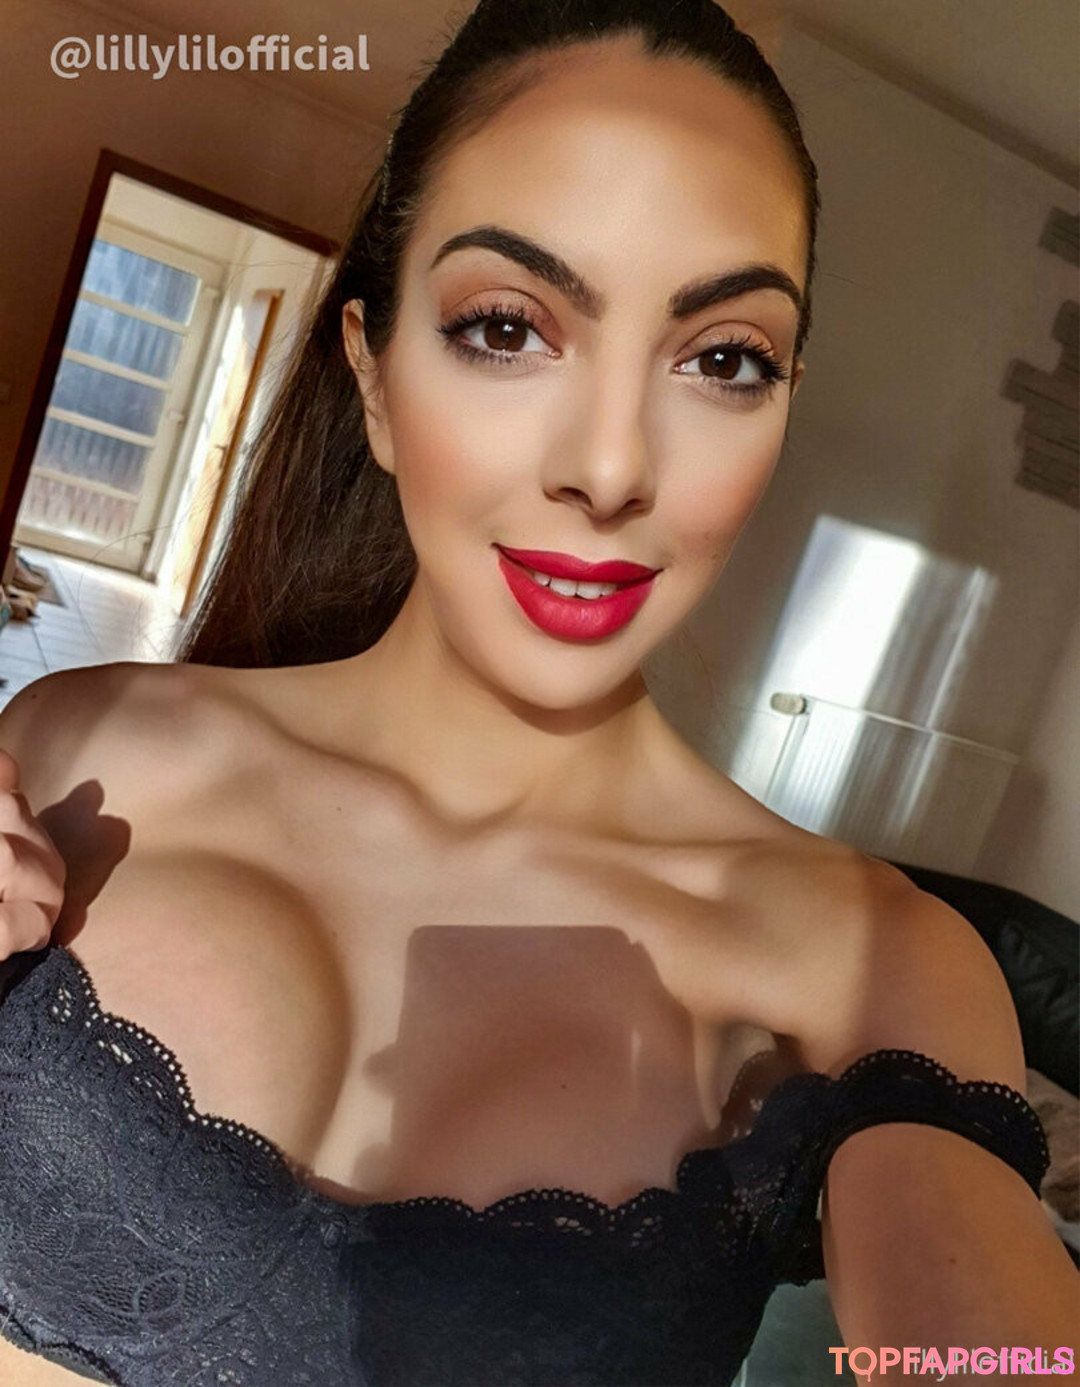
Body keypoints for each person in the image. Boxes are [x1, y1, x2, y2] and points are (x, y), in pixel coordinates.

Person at [0, 0, 1075, 1382]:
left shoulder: (868, 959)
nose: (612, 467)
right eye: (508, 327)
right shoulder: (84, 746)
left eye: (724, 359)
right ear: (373, 377)